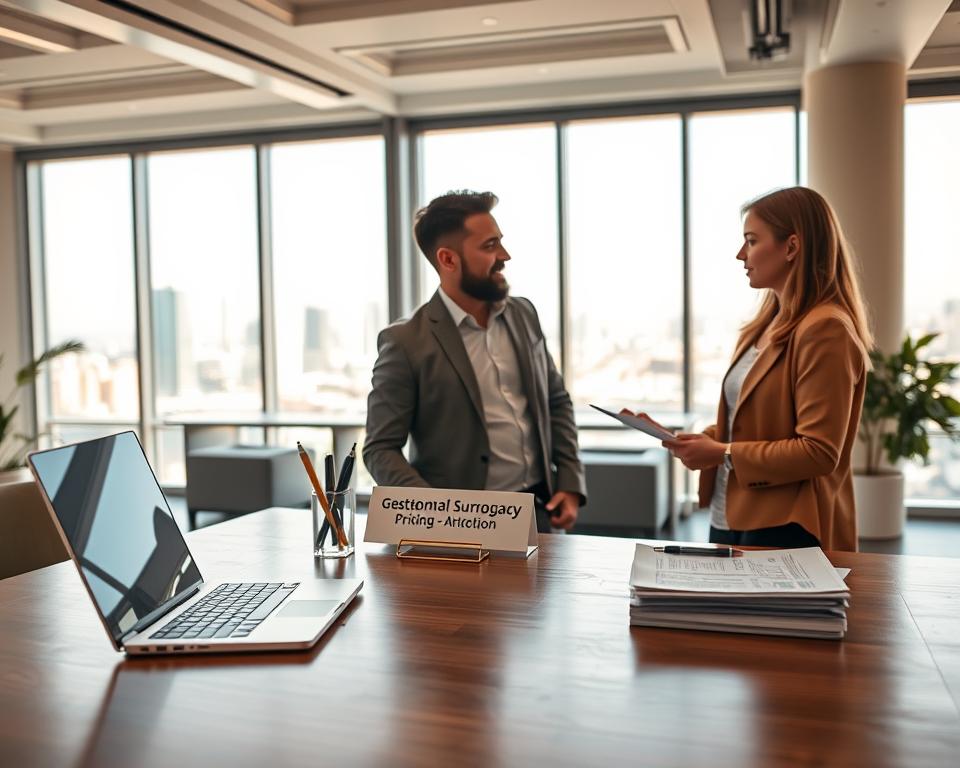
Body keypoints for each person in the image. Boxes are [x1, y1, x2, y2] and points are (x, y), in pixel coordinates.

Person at [659, 187, 872, 550]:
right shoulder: (765, 324)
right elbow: (755, 424)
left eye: (751, 241)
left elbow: (819, 451)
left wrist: (723, 452)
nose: (741, 255)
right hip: (731, 515)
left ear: (791, 247)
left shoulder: (826, 329)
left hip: (786, 526)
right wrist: (701, 440)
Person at [363, 190, 586, 532]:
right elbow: (380, 449)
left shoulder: (524, 314)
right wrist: (438, 515)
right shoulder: (405, 342)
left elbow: (556, 401)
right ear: (448, 260)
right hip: (461, 527)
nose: (505, 255)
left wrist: (570, 482)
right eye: (489, 246)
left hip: (540, 513)